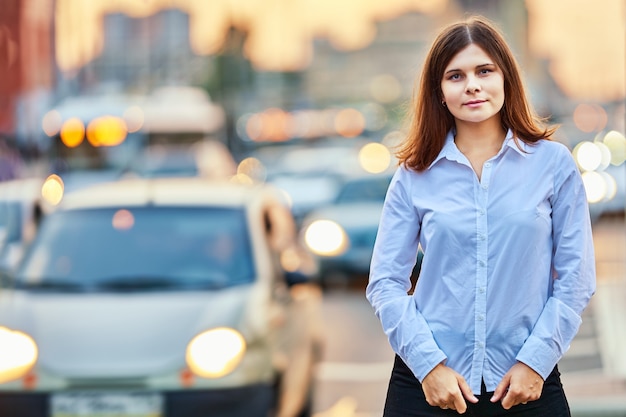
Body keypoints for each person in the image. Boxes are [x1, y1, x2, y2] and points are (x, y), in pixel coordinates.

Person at [366, 15, 596, 417]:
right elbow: (385, 282)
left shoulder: (553, 164)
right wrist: (428, 366)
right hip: (429, 386)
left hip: (526, 384)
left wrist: (535, 362)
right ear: (439, 92)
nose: (471, 84)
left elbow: (576, 278)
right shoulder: (414, 174)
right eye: (455, 75)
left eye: (484, 70)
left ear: (505, 79)